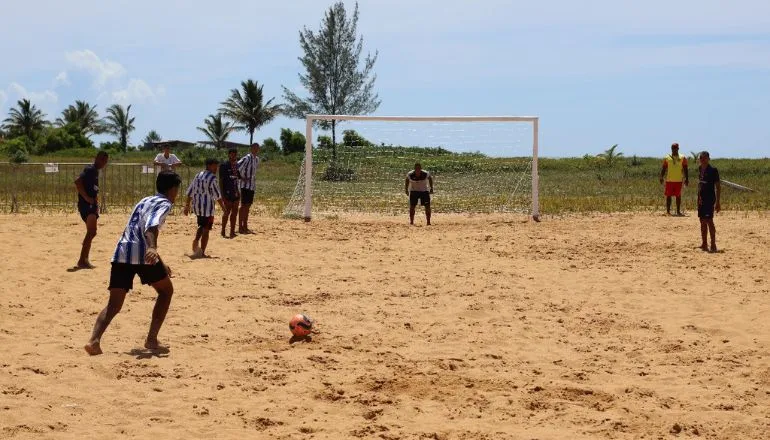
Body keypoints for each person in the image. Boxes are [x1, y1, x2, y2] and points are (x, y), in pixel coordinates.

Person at [84, 171, 182, 356]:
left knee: (114, 304)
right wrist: (152, 248)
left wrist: (161, 261)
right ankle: (151, 339)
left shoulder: (144, 200)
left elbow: (137, 229)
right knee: (166, 291)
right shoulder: (165, 203)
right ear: (172, 189)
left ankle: (94, 341)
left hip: (121, 251)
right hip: (142, 255)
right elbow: (150, 228)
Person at [73, 151, 109, 269]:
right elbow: (78, 181)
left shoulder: (95, 172)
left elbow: (93, 189)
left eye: (106, 160)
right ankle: (82, 260)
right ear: (96, 158)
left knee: (92, 232)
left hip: (91, 205)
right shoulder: (90, 170)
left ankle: (83, 259)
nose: (104, 163)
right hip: (86, 205)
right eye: (102, 160)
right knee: (91, 232)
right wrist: (87, 198)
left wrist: (95, 201)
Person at [184, 159, 225, 258]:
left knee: (201, 225)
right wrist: (224, 208)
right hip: (208, 208)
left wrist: (187, 205)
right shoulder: (212, 178)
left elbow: (190, 191)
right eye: (215, 166)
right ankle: (202, 252)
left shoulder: (198, 175)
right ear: (209, 166)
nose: (216, 168)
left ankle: (196, 241)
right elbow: (217, 195)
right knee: (206, 230)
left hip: (198, 207)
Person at [697, 151, 721, 252]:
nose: (702, 159)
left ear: (708, 159)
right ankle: (704, 243)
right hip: (701, 199)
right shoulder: (700, 169)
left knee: (709, 221)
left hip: (709, 199)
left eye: (704, 158)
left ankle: (713, 244)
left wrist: (718, 202)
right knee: (702, 221)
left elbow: (718, 187)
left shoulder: (713, 170)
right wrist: (698, 197)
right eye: (701, 158)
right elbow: (700, 185)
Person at [659, 142, 689, 215]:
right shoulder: (667, 158)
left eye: (675, 148)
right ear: (671, 149)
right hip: (669, 180)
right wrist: (661, 177)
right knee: (668, 196)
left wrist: (687, 179)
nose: (674, 149)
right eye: (673, 148)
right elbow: (664, 168)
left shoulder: (682, 157)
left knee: (678, 196)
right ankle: (668, 212)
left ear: (678, 148)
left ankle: (678, 211)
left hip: (679, 180)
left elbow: (685, 169)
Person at [237, 143, 260, 234]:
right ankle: (240, 227)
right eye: (254, 148)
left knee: (248, 206)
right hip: (244, 186)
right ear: (251, 148)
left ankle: (245, 225)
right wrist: (241, 178)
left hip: (252, 186)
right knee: (243, 205)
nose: (256, 150)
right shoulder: (247, 158)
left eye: (257, 148)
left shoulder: (257, 159)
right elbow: (237, 166)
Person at [219, 148, 242, 238]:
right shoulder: (224, 165)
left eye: (235, 154)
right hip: (227, 192)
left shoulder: (237, 165)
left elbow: (238, 178)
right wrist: (222, 195)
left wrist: (239, 191)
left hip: (236, 191)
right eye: (232, 154)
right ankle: (223, 230)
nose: (233, 156)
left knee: (235, 212)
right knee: (226, 212)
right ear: (229, 155)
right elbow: (221, 181)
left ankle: (232, 231)